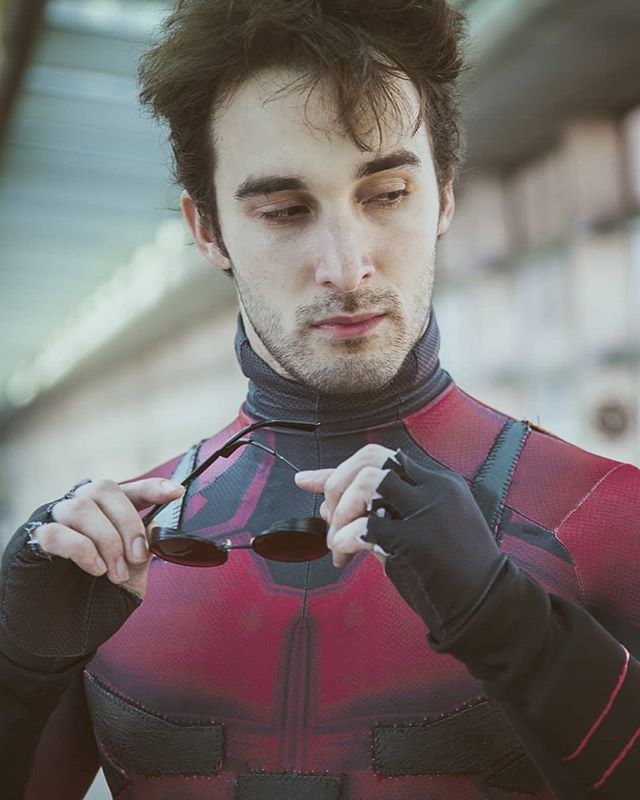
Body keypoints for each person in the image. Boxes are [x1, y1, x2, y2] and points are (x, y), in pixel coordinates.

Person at [1, 1, 639, 798]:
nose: (346, 266)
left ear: (444, 196)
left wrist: (514, 627)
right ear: (208, 231)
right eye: (285, 211)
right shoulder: (115, 560)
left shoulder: (610, 519)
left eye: (387, 193)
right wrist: (16, 666)